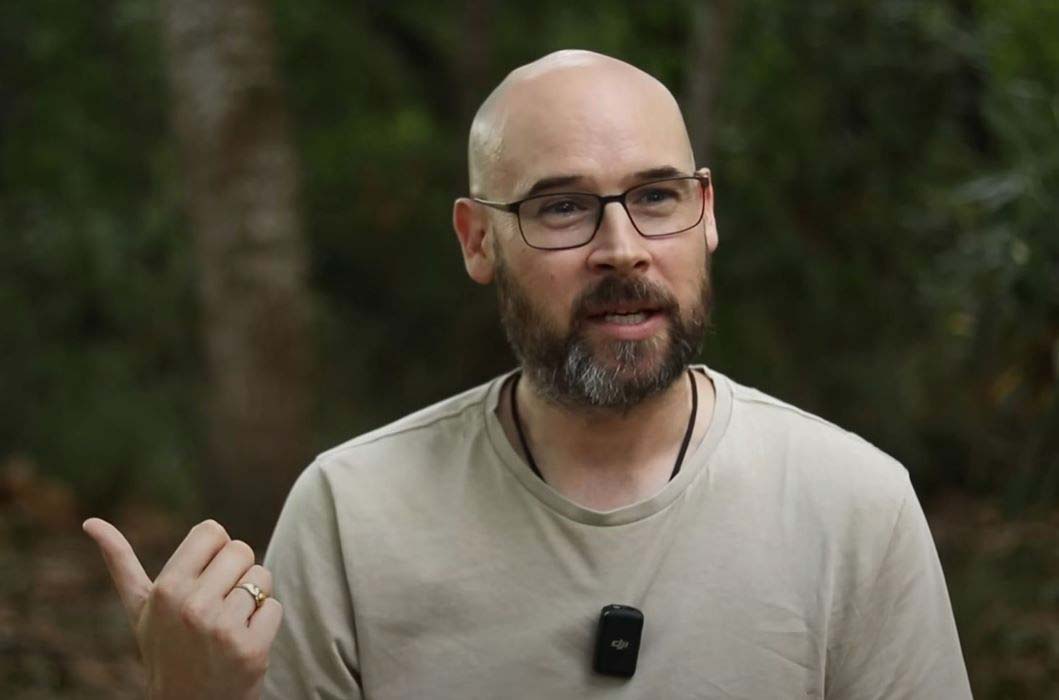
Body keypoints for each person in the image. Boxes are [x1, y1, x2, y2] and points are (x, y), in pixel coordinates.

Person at [84, 49, 973, 699]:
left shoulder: (852, 505)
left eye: (655, 197)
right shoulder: (353, 512)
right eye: (562, 207)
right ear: (478, 240)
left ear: (705, 213)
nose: (621, 248)